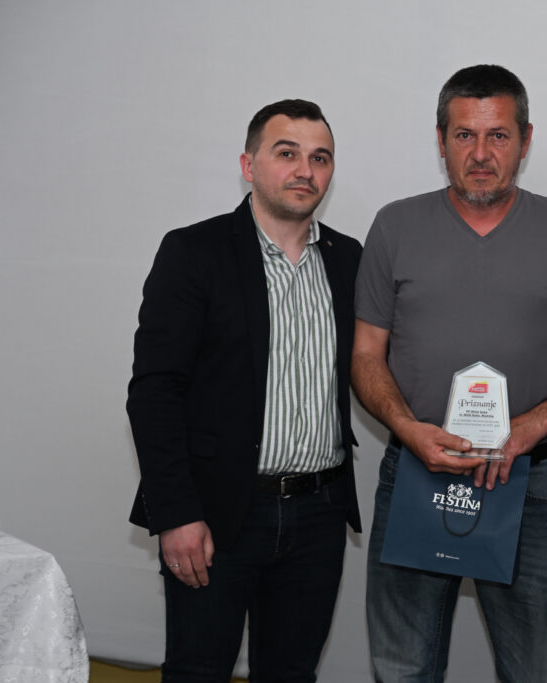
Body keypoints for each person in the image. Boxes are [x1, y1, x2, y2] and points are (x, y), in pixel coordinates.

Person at [352, 64, 547, 683]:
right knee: (401, 670)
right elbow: (365, 356)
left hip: (528, 480)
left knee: (533, 671)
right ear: (441, 139)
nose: (480, 154)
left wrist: (532, 426)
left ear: (525, 140)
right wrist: (408, 430)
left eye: (498, 135)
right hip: (416, 471)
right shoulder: (394, 226)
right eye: (464, 135)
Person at [126, 99, 361, 682]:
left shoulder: (349, 260)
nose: (305, 170)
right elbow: (154, 392)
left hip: (319, 514)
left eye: (320, 158)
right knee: (197, 672)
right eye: (287, 153)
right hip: (218, 514)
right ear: (248, 165)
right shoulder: (194, 252)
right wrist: (176, 514)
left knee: (291, 673)